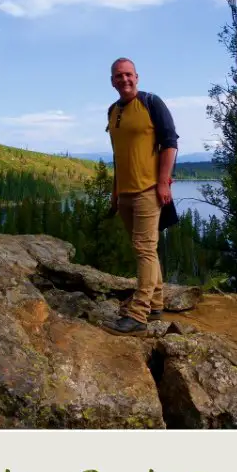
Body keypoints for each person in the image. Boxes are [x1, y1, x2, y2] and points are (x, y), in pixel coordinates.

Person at [103, 57, 179, 336]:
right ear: (112, 81)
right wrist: (114, 191)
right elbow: (118, 155)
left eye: (128, 75)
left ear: (137, 76)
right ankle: (156, 303)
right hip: (125, 193)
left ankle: (138, 314)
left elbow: (170, 142)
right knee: (147, 249)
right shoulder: (113, 111)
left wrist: (163, 183)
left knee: (144, 248)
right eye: (118, 76)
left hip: (148, 190)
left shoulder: (151, 103)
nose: (124, 80)